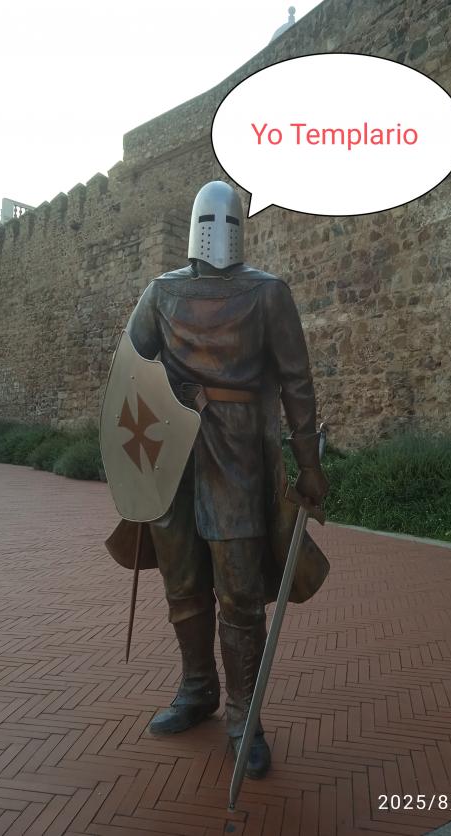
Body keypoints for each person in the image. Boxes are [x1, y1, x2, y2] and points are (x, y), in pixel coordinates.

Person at [124, 180, 329, 779]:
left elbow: (296, 380)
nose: (220, 234)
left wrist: (308, 463)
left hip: (237, 455)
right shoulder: (162, 292)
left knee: (239, 592)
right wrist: (132, 453)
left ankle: (244, 716)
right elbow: (131, 367)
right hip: (173, 453)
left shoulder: (267, 293)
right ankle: (198, 689)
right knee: (183, 581)